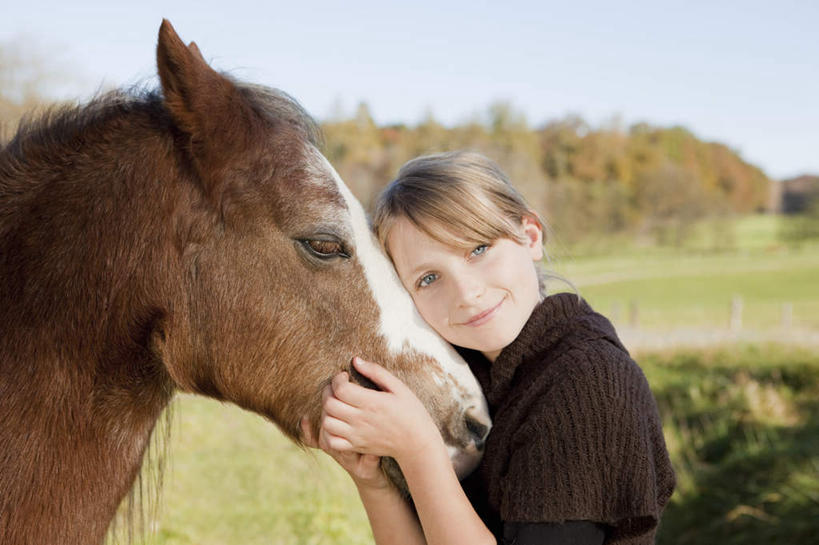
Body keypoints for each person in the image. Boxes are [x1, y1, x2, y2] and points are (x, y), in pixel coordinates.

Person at [301, 151, 675, 545]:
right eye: (429, 278)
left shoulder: (587, 384)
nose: (467, 293)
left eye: (478, 250)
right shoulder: (466, 382)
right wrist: (375, 484)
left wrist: (419, 450)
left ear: (530, 236)